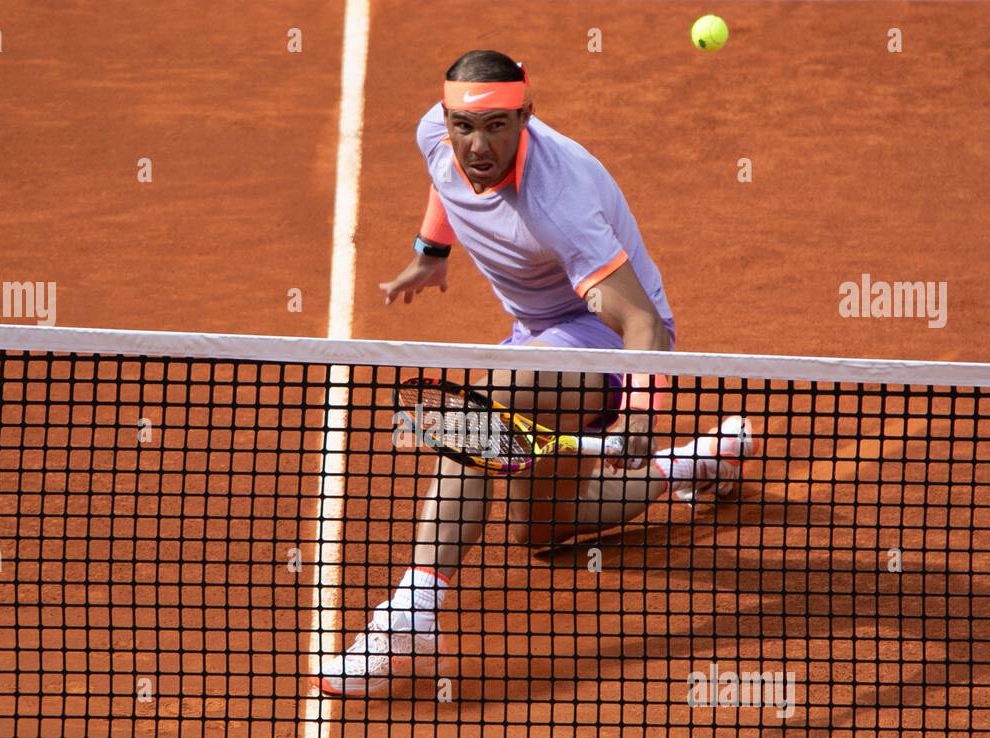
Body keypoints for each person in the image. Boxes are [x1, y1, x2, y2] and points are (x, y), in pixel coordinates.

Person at [320, 50, 753, 696]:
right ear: (445, 118)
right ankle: (692, 463)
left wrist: (637, 411)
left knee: (474, 414)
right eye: (465, 126)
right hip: (536, 338)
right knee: (542, 530)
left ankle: (411, 615)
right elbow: (447, 181)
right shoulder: (435, 137)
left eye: (497, 126)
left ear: (527, 115)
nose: (479, 143)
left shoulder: (560, 200)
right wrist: (431, 252)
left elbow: (643, 325)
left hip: (604, 341)